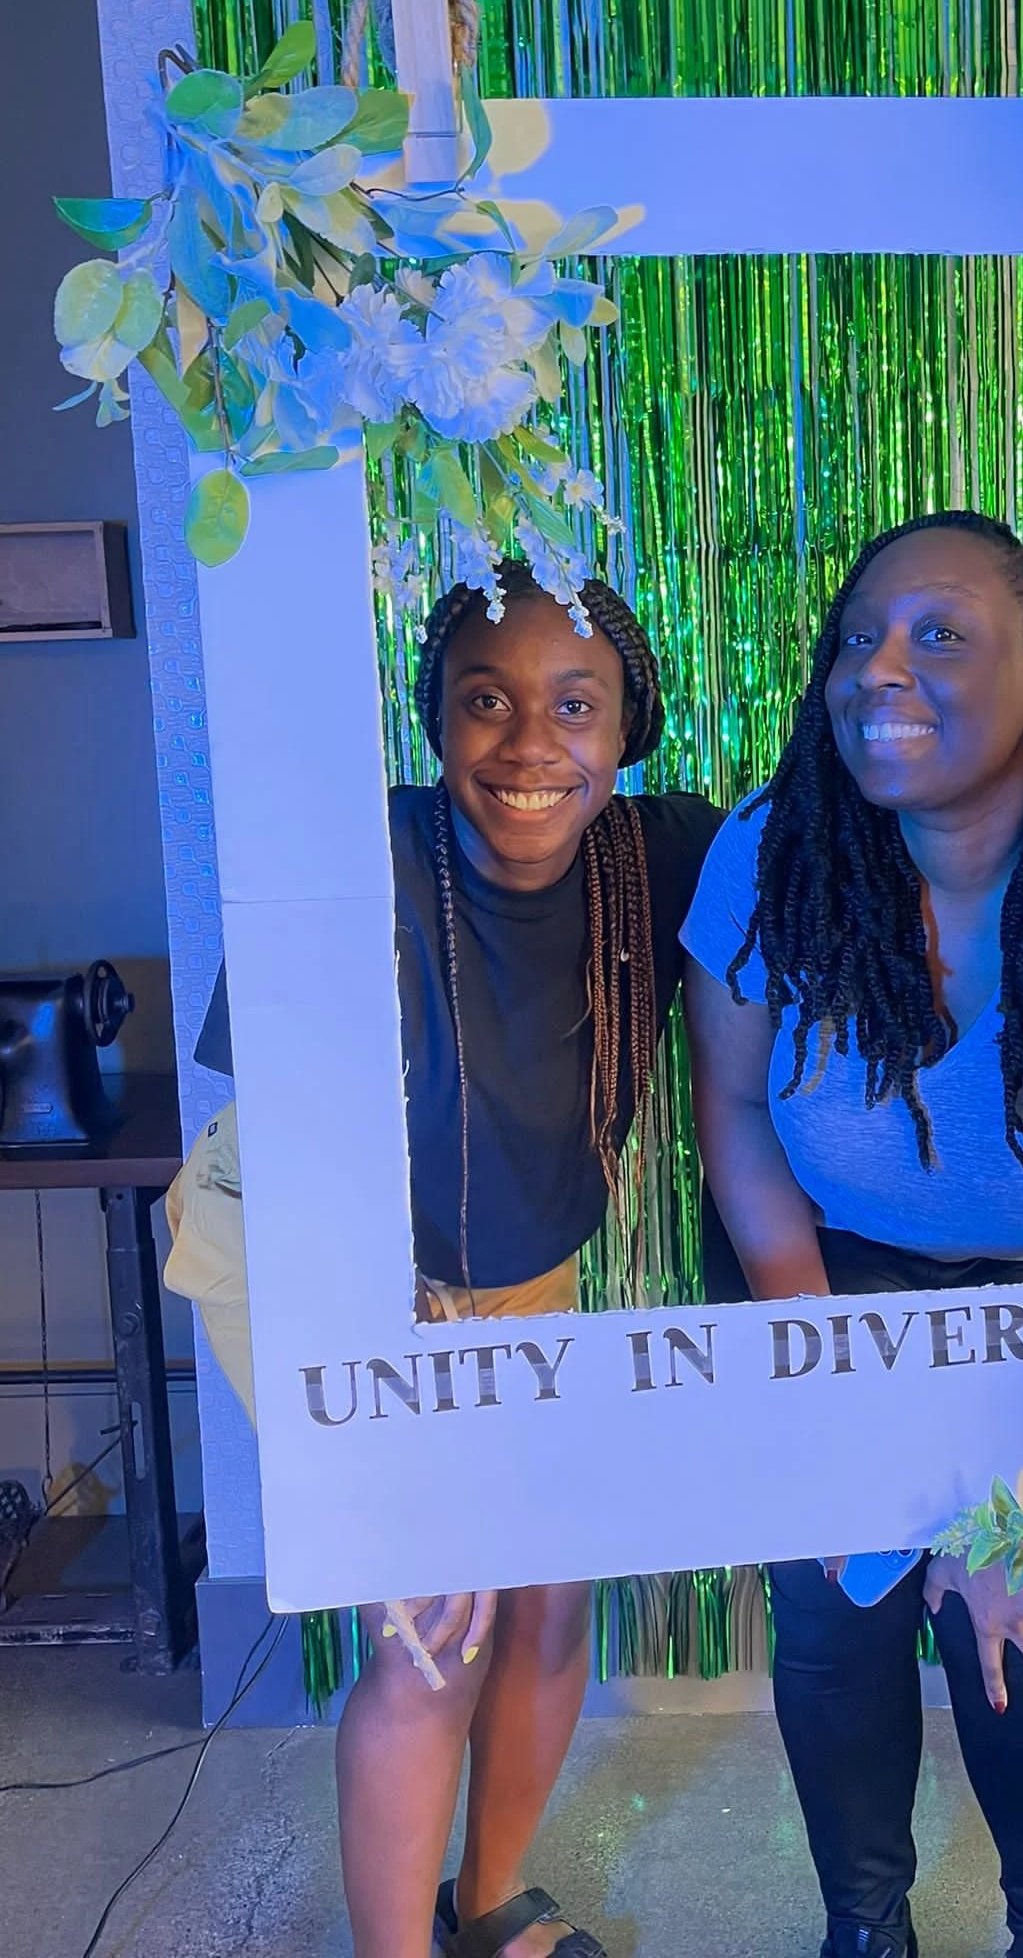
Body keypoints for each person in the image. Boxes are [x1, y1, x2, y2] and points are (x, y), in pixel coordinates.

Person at [166, 561, 718, 1958]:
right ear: (433, 717)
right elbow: (294, 1147)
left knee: (550, 1596)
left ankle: (489, 1908)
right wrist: (393, 1396)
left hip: (515, 1266)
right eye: (485, 700)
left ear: (630, 724)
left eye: (574, 705)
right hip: (309, 1253)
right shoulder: (350, 860)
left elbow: (862, 859)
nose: (529, 744)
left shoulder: (667, 857)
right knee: (437, 1627)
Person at [682, 510, 1023, 1958]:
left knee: (1022, 1608)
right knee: (840, 1602)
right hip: (825, 1273)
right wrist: (828, 1370)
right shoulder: (773, 849)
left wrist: (1018, 1453)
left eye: (938, 635)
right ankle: (865, 1930)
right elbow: (735, 1110)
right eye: (857, 639)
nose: (874, 670)